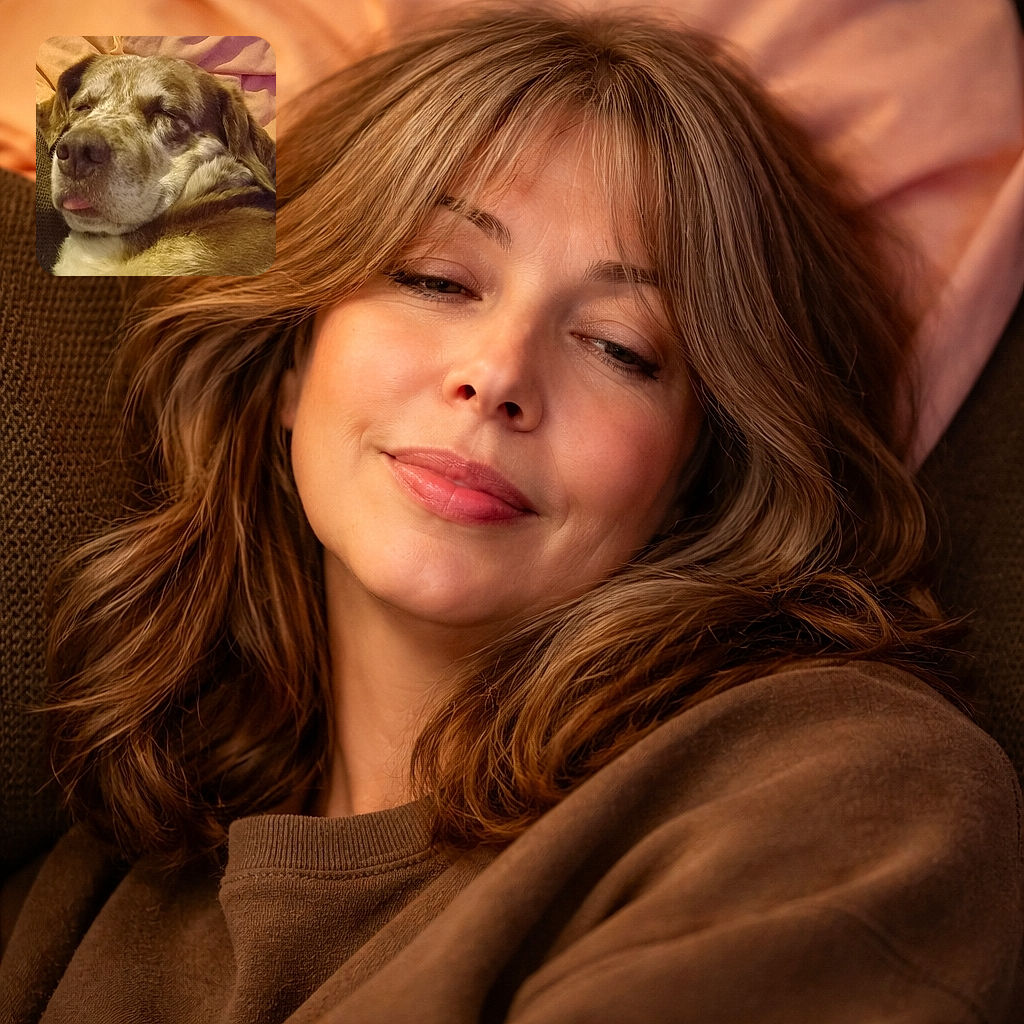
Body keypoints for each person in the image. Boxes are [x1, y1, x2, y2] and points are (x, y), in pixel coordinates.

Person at [1, 5, 1021, 1021]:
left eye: (620, 346)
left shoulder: (835, 785)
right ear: (286, 364)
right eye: (437, 277)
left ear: (699, 472)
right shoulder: (92, 886)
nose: (496, 376)